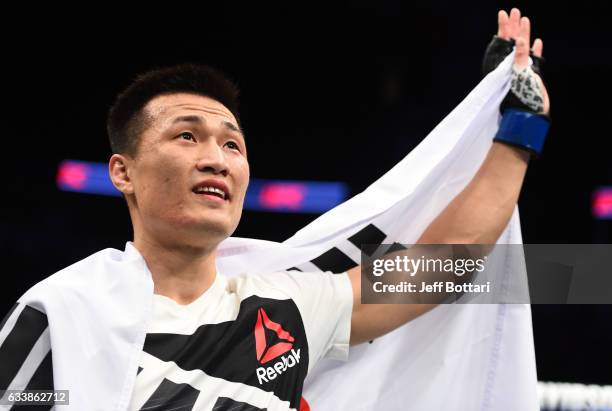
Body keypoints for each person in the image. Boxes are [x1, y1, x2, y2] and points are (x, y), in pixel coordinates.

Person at [0, 8, 549, 410]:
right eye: (187, 136)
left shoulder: (284, 308)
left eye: (232, 145)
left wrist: (518, 128)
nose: (216, 159)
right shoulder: (62, 313)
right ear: (123, 173)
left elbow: (439, 266)